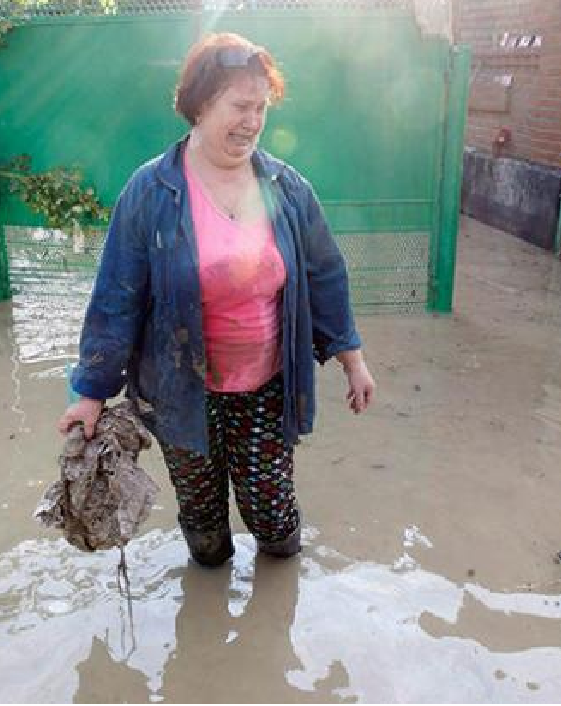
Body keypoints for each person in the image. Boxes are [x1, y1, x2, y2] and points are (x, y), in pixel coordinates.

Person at [57, 32, 376, 567]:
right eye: (239, 106)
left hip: (268, 384)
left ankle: (277, 603)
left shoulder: (287, 188)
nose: (251, 121)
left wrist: (353, 360)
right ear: (201, 106)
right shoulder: (152, 192)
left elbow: (325, 275)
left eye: (261, 108)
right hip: (181, 388)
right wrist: (91, 392)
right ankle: (206, 604)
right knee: (202, 518)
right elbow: (117, 295)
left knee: (271, 508)